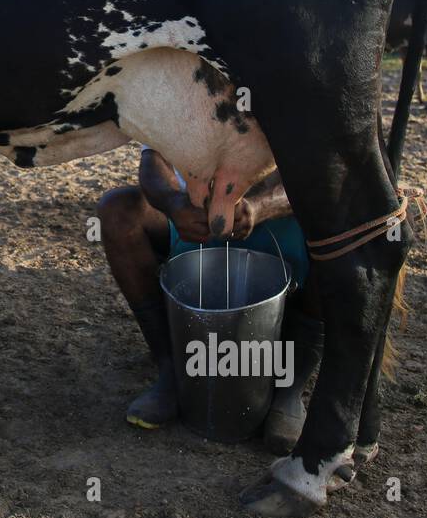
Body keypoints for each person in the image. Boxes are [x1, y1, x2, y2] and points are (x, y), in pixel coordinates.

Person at [96, 146, 323, 450]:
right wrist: (174, 203)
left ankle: (290, 387)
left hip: (286, 220)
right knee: (118, 211)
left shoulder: (303, 97)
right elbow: (155, 158)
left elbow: (324, 172)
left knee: (347, 229)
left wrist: (260, 207)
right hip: (198, 221)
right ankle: (172, 370)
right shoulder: (186, 96)